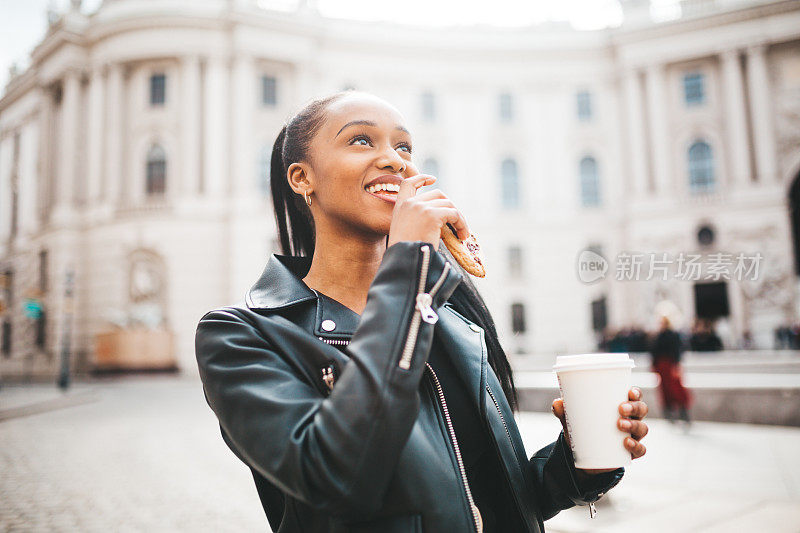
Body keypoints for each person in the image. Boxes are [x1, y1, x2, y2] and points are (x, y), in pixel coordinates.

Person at [194, 90, 650, 532]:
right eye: (360, 140)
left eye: (404, 146)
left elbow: (500, 501)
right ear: (301, 178)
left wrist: (576, 461)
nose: (395, 159)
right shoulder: (242, 336)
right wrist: (410, 261)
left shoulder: (452, 320)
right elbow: (334, 477)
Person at [650, 315, 692, 426]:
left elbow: (676, 351)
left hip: (670, 365)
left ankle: (683, 412)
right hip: (662, 366)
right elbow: (654, 352)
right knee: (665, 390)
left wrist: (676, 365)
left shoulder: (672, 335)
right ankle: (669, 413)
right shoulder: (659, 336)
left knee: (676, 389)